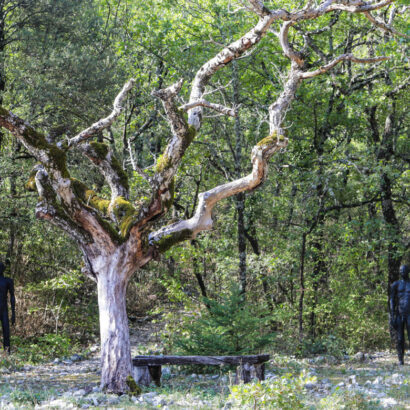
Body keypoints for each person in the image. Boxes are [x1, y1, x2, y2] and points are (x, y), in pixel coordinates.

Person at [390, 264, 410, 365]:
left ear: (408, 271)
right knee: (400, 338)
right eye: (400, 271)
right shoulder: (396, 284)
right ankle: (400, 359)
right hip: (399, 313)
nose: (402, 272)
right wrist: (392, 314)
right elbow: (392, 300)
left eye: (404, 270)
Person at [0, 262, 15, 354]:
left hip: (4, 309)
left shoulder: (8, 281)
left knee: (6, 332)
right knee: (6, 332)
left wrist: (13, 313)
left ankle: (7, 353)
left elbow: (12, 297)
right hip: (3, 309)